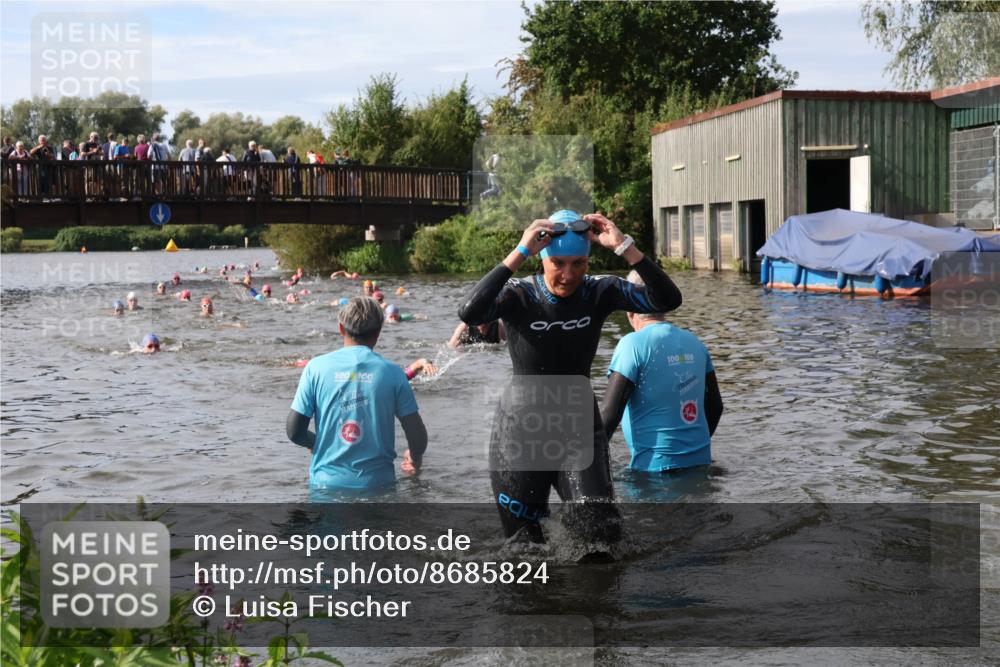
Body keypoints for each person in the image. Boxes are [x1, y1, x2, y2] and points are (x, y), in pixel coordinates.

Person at [458, 210, 682, 547]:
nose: (568, 274)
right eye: (558, 263)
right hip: (521, 432)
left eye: (578, 263)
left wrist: (624, 246)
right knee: (523, 551)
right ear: (543, 258)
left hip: (578, 427)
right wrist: (520, 251)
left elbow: (668, 299)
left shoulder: (599, 292)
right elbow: (470, 312)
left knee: (601, 540)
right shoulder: (520, 295)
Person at [286, 296, 429, 491]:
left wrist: (315, 444)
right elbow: (417, 436)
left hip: (325, 487)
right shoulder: (394, 373)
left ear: (341, 328)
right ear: (379, 331)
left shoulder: (315, 368)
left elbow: (294, 431)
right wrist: (414, 458)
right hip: (379, 486)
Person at [600, 271, 723, 475]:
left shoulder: (632, 344)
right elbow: (715, 407)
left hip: (654, 472)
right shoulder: (695, 342)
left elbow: (610, 414)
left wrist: (579, 462)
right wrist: (687, 451)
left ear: (630, 311)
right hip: (701, 463)